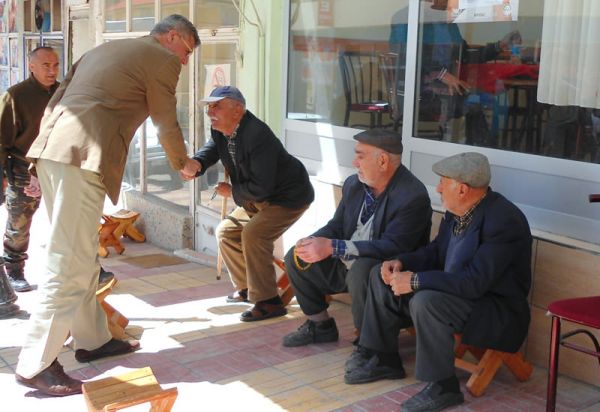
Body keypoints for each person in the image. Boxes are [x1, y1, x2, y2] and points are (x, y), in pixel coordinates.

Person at [15, 14, 202, 397]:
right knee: (68, 263)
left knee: (81, 256)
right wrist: (181, 162)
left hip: (58, 154)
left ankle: (94, 339)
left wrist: (39, 160)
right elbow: (166, 119)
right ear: (171, 37)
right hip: (83, 158)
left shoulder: (104, 49)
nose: (184, 62)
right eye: (186, 52)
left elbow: (56, 100)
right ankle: (35, 362)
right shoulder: (160, 59)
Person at [345, 152, 532, 412]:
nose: (439, 188)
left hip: (495, 309)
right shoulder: (458, 211)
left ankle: (444, 386)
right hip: (459, 294)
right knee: (380, 276)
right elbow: (434, 253)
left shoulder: (504, 221)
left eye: (444, 182)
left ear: (463, 189)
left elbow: (475, 283)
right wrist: (400, 262)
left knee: (426, 300)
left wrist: (416, 281)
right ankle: (384, 357)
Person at [281, 128, 432, 348]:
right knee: (297, 256)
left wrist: (333, 247)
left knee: (362, 269)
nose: (354, 162)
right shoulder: (355, 184)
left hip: (386, 274)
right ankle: (320, 325)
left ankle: (369, 343)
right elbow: (337, 225)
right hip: (347, 264)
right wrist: (315, 241)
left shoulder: (412, 195)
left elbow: (393, 246)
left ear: (382, 161)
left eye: (360, 156)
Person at [187, 86, 314, 322]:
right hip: (257, 198)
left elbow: (262, 188)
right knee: (226, 232)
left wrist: (232, 191)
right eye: (209, 106)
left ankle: (269, 302)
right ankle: (247, 287)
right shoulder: (221, 130)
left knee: (254, 234)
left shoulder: (257, 135)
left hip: (286, 197)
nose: (210, 111)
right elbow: (212, 149)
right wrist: (197, 163)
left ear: (238, 110)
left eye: (217, 106)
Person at [0, 46, 59, 292]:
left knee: (68, 221)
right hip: (23, 171)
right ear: (31, 66)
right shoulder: (15, 96)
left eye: (55, 65)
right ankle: (14, 271)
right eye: (46, 65)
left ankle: (74, 270)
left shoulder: (64, 92)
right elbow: (2, 141)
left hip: (58, 168)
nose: (52, 70)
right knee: (19, 225)